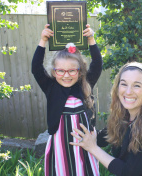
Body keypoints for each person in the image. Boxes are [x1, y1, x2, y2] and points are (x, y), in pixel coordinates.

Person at [70, 62, 142, 176]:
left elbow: (128, 172)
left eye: (136, 85)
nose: (128, 91)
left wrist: (93, 148)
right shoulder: (123, 119)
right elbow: (101, 138)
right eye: (123, 84)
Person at [31, 24, 102, 176]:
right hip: (60, 144)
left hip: (84, 144)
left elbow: (97, 64)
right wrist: (43, 40)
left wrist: (91, 39)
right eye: (61, 71)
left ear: (80, 71)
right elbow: (36, 67)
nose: (66, 75)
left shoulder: (84, 85)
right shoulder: (51, 87)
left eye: (72, 70)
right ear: (54, 71)